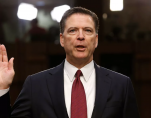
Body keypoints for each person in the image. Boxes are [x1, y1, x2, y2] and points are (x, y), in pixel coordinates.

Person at [0, 7, 140, 118]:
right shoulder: (35, 84)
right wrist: (2, 88)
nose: (80, 36)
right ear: (62, 39)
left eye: (87, 30)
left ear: (96, 40)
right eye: (73, 30)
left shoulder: (121, 84)